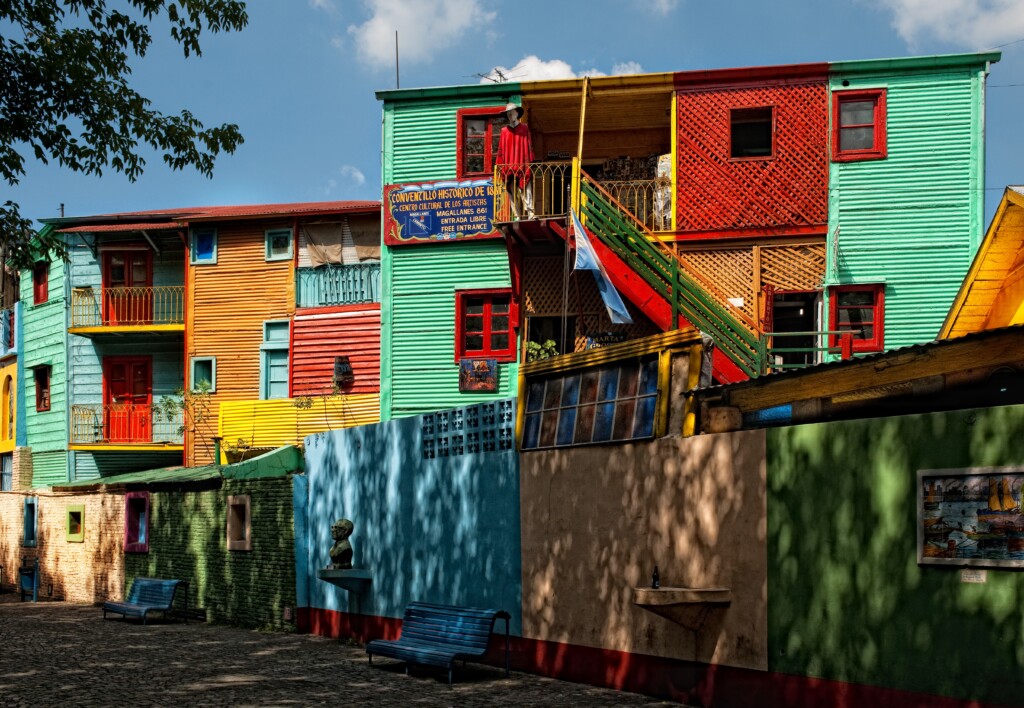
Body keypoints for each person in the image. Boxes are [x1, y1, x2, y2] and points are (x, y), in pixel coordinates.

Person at [495, 102, 534, 220]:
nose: (510, 116)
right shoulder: (504, 131)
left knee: (526, 188)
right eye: (508, 114)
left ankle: (530, 212)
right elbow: (501, 149)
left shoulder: (524, 128)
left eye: (512, 113)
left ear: (517, 113)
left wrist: (529, 161)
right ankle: (517, 215)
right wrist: (500, 165)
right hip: (509, 167)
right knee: (511, 191)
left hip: (522, 164)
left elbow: (528, 145)